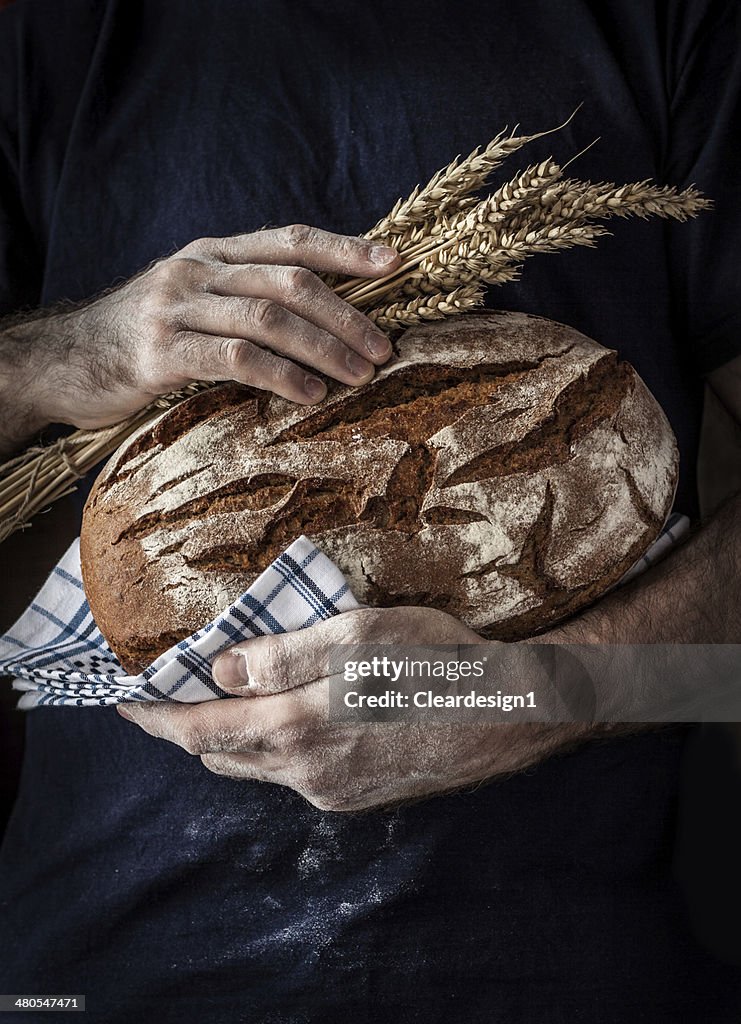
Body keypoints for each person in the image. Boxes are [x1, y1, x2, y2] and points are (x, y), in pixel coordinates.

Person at [0, 0, 740, 1020]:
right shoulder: (52, 36)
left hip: (570, 973)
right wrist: (55, 355)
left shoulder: (678, 25)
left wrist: (538, 697)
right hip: (93, 976)